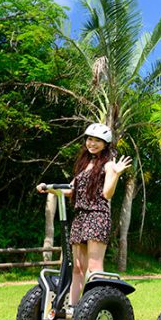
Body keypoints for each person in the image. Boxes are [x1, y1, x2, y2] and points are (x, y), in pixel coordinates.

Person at [37, 123, 131, 310]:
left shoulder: (109, 164)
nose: (92, 143)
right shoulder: (84, 165)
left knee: (94, 267)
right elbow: (71, 190)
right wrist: (50, 187)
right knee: (77, 267)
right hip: (80, 217)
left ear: (105, 144)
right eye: (89, 139)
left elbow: (107, 194)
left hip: (97, 215)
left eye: (97, 141)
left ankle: (96, 307)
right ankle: (72, 307)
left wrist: (116, 174)